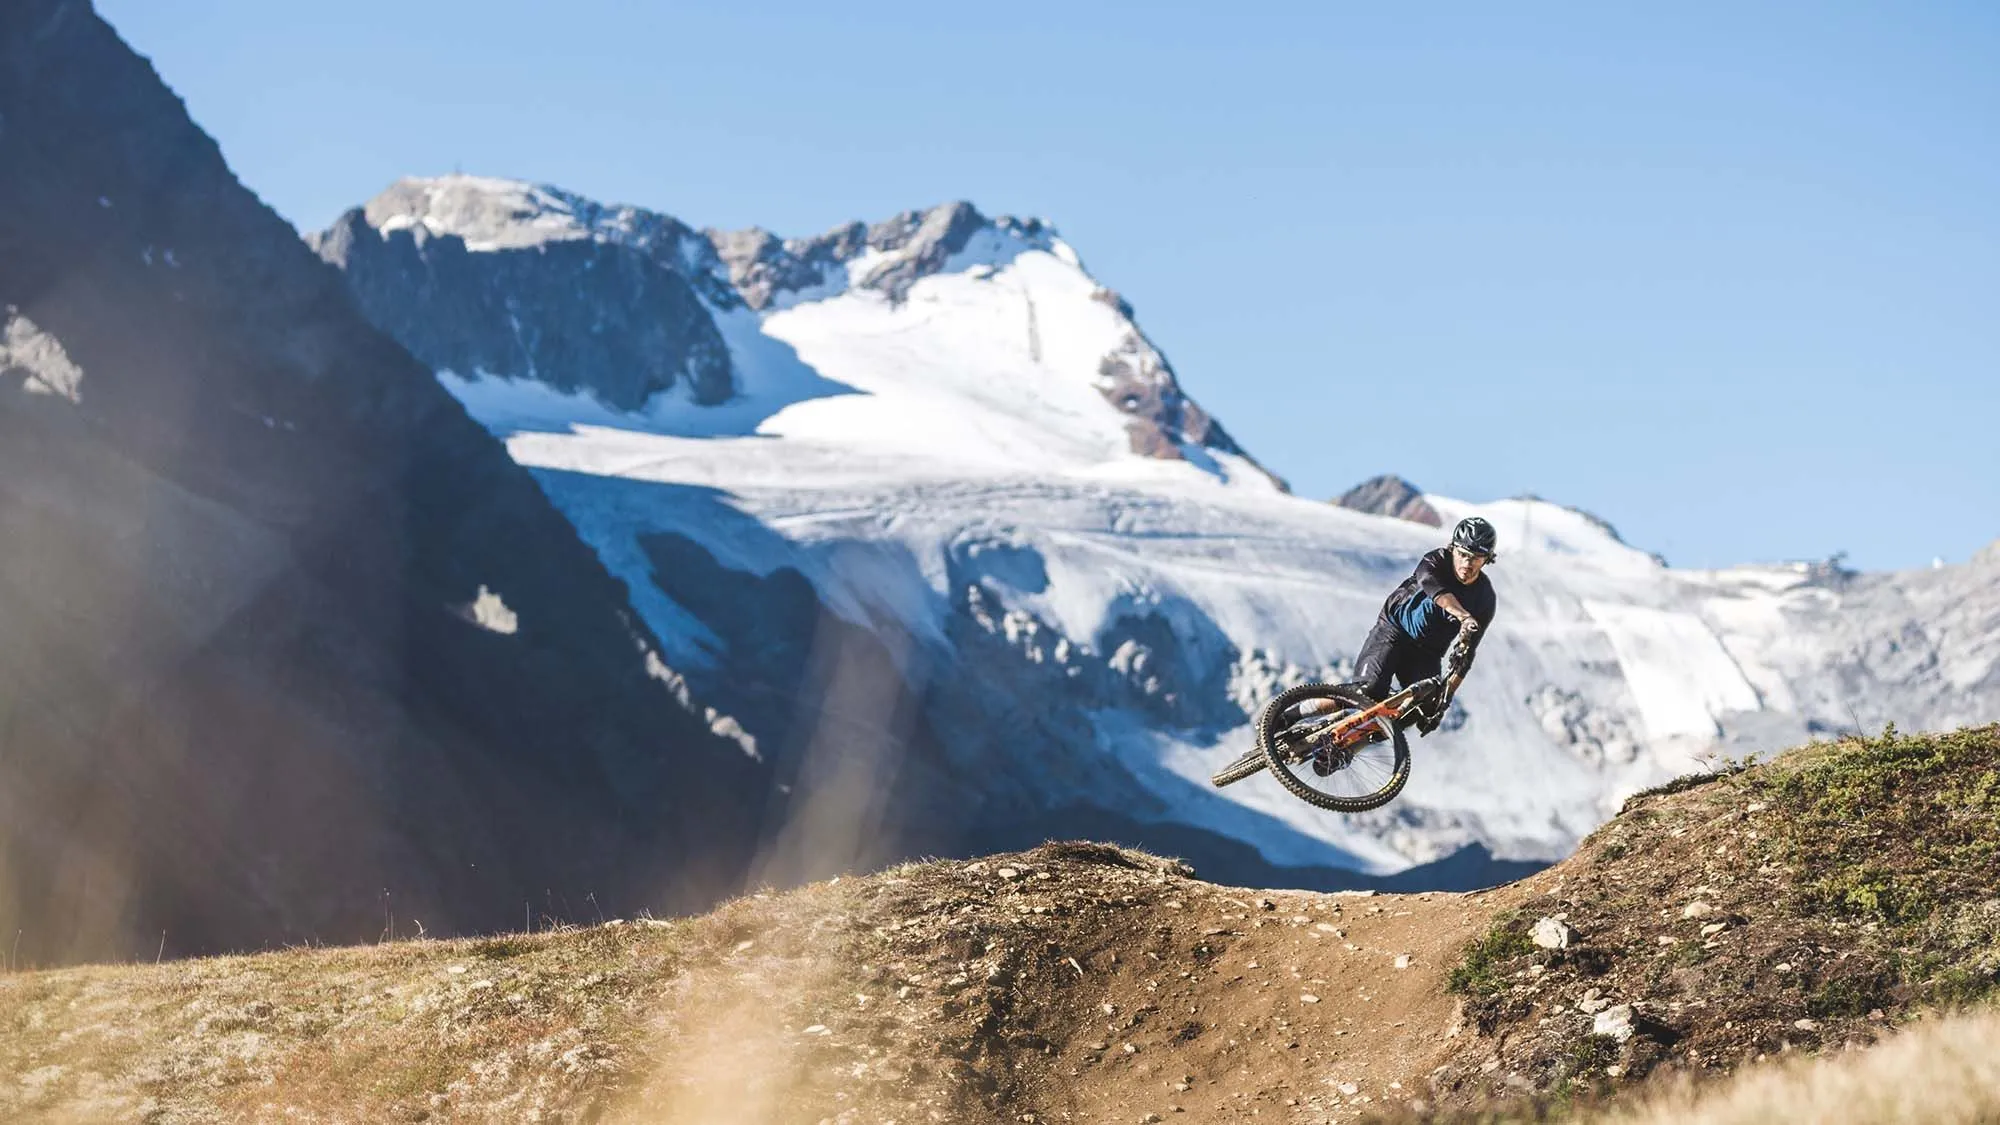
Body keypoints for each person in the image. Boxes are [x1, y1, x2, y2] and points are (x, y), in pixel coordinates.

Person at [1300, 516, 1499, 736]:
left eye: (1476, 558)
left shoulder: (1484, 599)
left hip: (1427, 653)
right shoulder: (1435, 561)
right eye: (1462, 555)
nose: (1467, 564)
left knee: (1423, 708)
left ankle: (1349, 746)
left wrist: (1445, 699)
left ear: (1487, 559)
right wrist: (1463, 616)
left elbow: (1466, 655)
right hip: (1394, 631)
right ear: (1452, 549)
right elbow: (1434, 589)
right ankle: (1290, 715)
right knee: (1369, 690)